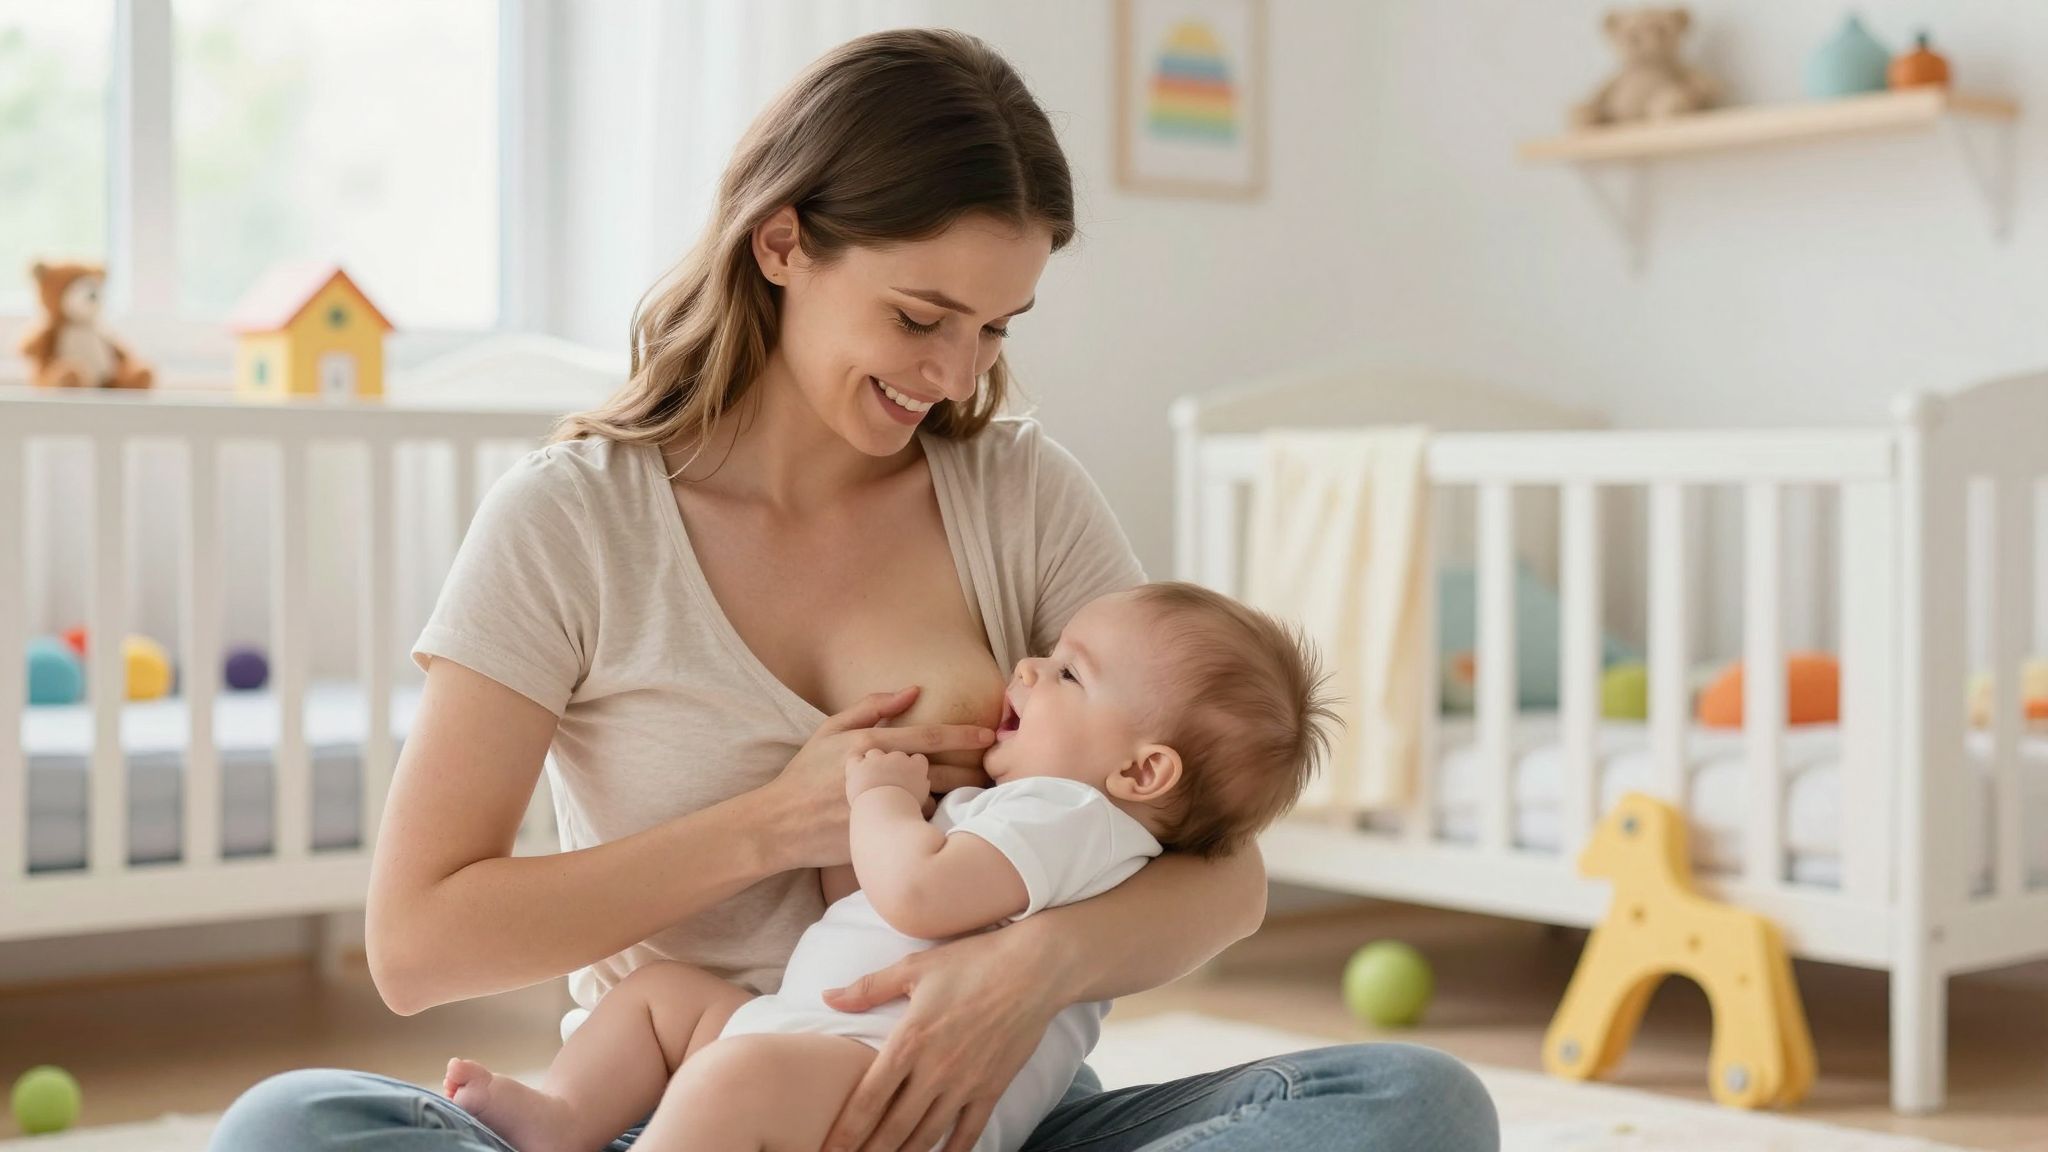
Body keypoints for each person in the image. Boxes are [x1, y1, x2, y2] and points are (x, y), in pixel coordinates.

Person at [207, 27, 1499, 1152]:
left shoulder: (1019, 494)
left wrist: (1026, 972)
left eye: (997, 328)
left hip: (971, 1115)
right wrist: (775, 825)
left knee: (1417, 1106)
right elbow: (418, 943)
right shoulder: (573, 521)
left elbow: (1227, 876)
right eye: (922, 316)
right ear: (784, 245)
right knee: (291, 1130)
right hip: (679, 1108)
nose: (955, 371)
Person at [441, 581, 1337, 1152]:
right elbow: (876, 902)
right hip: (814, 1045)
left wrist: (878, 800)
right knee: (663, 996)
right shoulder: (1031, 817)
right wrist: (838, 830)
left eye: (1068, 676)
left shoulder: (1075, 818)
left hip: (889, 1101)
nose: (1028, 667)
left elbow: (917, 892)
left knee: (729, 1077)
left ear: (1143, 771)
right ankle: (562, 1120)